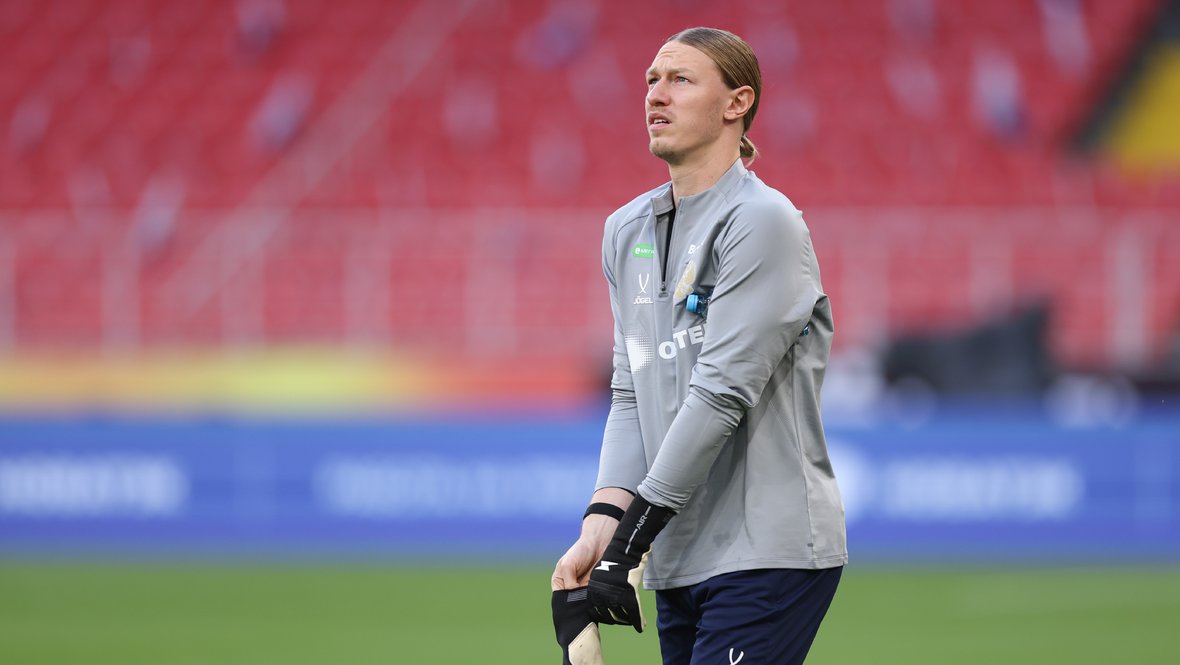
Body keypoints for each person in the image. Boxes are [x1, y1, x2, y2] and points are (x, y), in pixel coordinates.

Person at [551, 27, 847, 665]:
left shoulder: (763, 221)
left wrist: (631, 541)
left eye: (680, 80)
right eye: (651, 81)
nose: (656, 95)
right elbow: (631, 392)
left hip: (766, 548)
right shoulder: (624, 229)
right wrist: (600, 529)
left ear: (737, 103)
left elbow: (720, 393)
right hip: (676, 553)